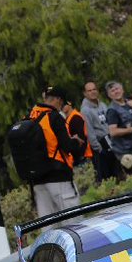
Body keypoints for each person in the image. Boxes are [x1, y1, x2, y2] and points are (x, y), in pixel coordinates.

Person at [25, 88, 85, 218]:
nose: (61, 107)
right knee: (73, 221)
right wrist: (76, 141)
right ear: (58, 99)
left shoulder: (29, 117)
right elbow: (67, 146)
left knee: (50, 224)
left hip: (37, 182)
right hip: (58, 177)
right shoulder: (53, 116)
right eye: (62, 103)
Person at [80, 81, 116, 182]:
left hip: (111, 143)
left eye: (94, 89)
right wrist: (99, 149)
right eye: (89, 90)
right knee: (107, 178)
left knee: (116, 173)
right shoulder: (85, 110)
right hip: (100, 147)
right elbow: (89, 132)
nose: (92, 92)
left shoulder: (103, 105)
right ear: (85, 93)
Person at [104, 81, 132, 172]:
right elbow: (113, 132)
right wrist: (130, 130)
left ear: (122, 90)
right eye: (112, 91)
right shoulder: (112, 110)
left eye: (117, 89)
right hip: (125, 151)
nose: (116, 92)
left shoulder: (130, 103)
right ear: (109, 95)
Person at [62, 99, 94, 170]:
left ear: (70, 103)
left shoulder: (76, 118)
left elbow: (81, 140)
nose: (62, 107)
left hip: (82, 157)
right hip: (78, 158)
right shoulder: (68, 118)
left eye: (64, 105)